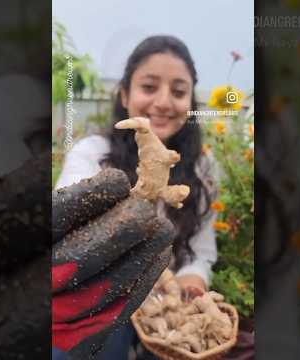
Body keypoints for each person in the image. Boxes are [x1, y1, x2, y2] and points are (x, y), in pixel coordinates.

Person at [55, 35, 219, 359]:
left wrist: (191, 284)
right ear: (125, 94)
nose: (163, 102)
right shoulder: (91, 155)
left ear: (191, 102)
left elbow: (201, 252)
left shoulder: (203, 168)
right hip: (103, 298)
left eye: (178, 91)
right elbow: (70, 231)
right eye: (149, 87)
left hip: (163, 309)